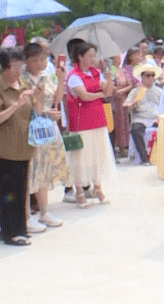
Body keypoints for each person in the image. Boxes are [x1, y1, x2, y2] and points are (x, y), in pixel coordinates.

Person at [0, 48, 39, 246]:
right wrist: (15, 105)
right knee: (8, 191)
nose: (18, 69)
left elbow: (32, 111)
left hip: (24, 144)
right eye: (14, 66)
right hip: (6, 147)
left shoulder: (24, 84)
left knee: (21, 188)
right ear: (3, 67)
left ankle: (20, 228)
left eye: (20, 64)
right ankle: (9, 232)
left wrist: (43, 108)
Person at [20, 43, 70, 232]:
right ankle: (26, 215)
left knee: (45, 168)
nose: (40, 63)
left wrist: (61, 78)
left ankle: (44, 211)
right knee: (30, 170)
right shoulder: (23, 79)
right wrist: (46, 112)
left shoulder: (45, 76)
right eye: (36, 59)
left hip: (48, 127)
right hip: (31, 128)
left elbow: (56, 99)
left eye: (43, 59)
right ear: (27, 60)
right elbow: (30, 106)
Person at [64, 42, 117, 207]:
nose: (93, 59)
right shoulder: (74, 75)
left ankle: (98, 187)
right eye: (89, 56)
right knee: (80, 157)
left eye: (94, 56)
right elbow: (84, 95)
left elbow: (108, 92)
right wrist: (100, 94)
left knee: (97, 156)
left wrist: (108, 80)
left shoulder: (96, 73)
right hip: (81, 122)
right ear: (80, 57)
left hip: (98, 119)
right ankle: (79, 191)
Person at [123, 63, 162, 165]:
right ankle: (144, 158)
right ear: (142, 77)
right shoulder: (135, 91)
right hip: (141, 118)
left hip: (156, 117)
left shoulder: (159, 91)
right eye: (147, 75)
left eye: (152, 75)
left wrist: (160, 118)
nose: (150, 78)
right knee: (135, 129)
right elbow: (126, 105)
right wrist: (133, 104)